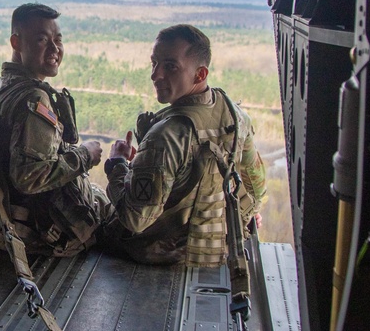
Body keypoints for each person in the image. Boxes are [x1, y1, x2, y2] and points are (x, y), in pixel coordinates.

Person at [103, 24, 266, 266]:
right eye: (154, 63)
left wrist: (117, 165)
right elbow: (256, 187)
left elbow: (135, 219)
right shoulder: (236, 115)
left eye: (170, 67)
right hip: (220, 249)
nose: (155, 75)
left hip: (165, 256)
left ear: (199, 75)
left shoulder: (167, 135)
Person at [0, 3, 109, 257]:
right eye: (42, 40)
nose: (54, 49)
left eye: (58, 40)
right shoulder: (34, 99)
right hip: (38, 237)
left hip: (4, 227)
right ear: (16, 42)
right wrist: (85, 156)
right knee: (117, 216)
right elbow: (30, 177)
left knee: (96, 194)